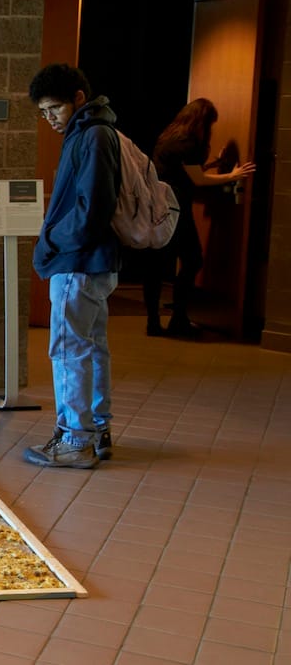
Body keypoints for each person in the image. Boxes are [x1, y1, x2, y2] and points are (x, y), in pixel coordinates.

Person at [26, 64, 120, 469]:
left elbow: (90, 210)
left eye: (54, 109)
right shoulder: (92, 132)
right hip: (93, 261)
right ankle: (96, 431)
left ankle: (74, 440)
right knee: (92, 347)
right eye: (43, 111)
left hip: (78, 262)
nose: (49, 119)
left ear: (78, 99)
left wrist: (50, 242)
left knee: (68, 350)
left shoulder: (93, 136)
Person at [143, 98, 256, 339]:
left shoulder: (169, 137)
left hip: (159, 207)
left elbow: (183, 170)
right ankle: (179, 319)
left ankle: (154, 322)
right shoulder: (188, 143)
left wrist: (215, 163)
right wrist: (233, 175)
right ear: (201, 122)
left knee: (157, 264)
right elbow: (199, 179)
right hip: (175, 208)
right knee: (193, 259)